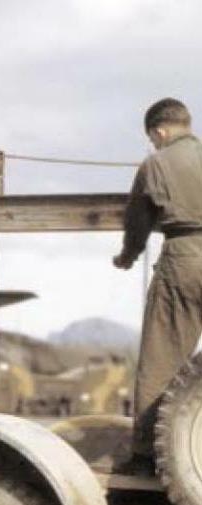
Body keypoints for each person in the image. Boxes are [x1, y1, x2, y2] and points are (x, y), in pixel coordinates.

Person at [113, 97, 202, 471]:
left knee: (162, 360)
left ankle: (148, 457)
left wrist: (128, 257)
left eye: (153, 138)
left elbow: (137, 224)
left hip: (182, 257)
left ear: (159, 131)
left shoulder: (155, 164)